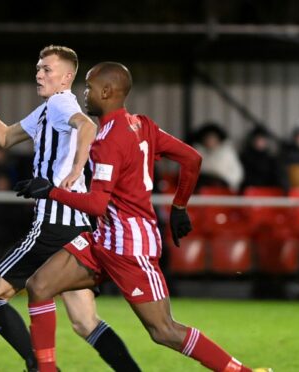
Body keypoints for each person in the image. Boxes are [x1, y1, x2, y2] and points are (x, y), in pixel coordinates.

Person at [16, 62, 271, 372]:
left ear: (107, 92)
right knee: (40, 285)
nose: (84, 93)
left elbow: (96, 204)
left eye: (89, 87)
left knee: (164, 331)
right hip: (104, 239)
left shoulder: (109, 141)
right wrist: (179, 206)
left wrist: (49, 191)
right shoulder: (143, 125)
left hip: (130, 246)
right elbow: (192, 159)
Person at [0, 46, 139, 371]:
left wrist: (77, 168)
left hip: (52, 226)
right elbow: (5, 137)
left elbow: (87, 126)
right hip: (78, 225)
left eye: (47, 69)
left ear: (66, 78)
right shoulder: (48, 109)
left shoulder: (61, 103)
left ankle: (37, 364)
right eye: (38, 68)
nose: (39, 74)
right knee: (85, 322)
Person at [193, 122, 244, 192]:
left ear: (218, 139)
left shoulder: (228, 153)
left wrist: (226, 182)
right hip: (201, 188)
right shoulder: (196, 153)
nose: (210, 141)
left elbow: (237, 174)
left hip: (223, 188)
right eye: (207, 138)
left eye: (213, 138)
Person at [240, 126, 288, 192]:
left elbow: (278, 176)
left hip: (267, 194)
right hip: (250, 193)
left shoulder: (271, 159)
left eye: (262, 140)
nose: (260, 142)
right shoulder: (245, 158)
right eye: (258, 140)